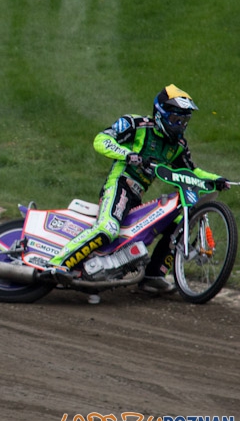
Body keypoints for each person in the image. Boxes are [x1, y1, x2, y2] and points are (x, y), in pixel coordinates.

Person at [48, 84, 229, 294]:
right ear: (161, 114)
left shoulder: (178, 145)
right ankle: (58, 264)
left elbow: (191, 172)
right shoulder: (136, 124)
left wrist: (216, 179)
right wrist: (128, 155)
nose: (180, 126)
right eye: (175, 120)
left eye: (184, 121)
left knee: (178, 224)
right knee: (108, 228)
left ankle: (154, 275)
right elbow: (101, 140)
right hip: (119, 186)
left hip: (137, 197)